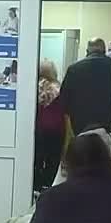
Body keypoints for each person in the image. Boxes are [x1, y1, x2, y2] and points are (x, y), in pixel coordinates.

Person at [59, 37, 111, 133]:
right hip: (107, 123)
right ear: (104, 51)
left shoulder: (74, 69)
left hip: (81, 124)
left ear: (87, 51)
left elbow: (64, 100)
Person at [33, 59, 66, 191]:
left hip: (39, 127)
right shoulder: (59, 87)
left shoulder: (34, 86)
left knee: (37, 158)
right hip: (57, 128)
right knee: (53, 159)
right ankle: (48, 185)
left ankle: (36, 185)